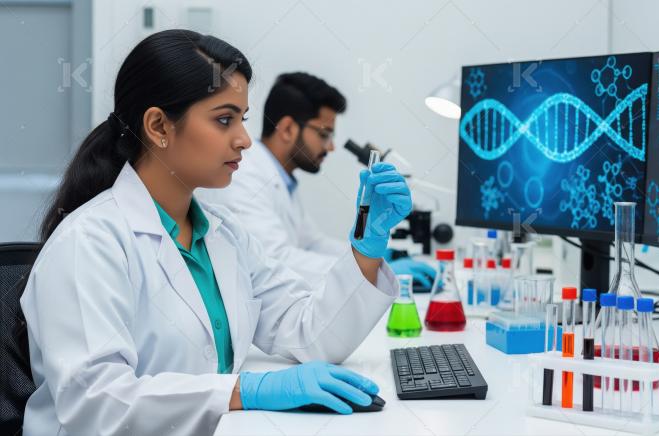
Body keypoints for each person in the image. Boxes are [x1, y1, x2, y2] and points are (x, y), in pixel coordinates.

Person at [20, 30, 411, 436]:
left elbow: (308, 334)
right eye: (224, 120)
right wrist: (245, 389)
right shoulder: (88, 243)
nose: (244, 140)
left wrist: (366, 249)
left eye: (242, 119)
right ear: (158, 126)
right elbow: (95, 404)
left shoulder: (224, 235)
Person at [197, 72, 436, 288]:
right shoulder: (243, 176)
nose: (330, 147)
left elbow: (313, 243)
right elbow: (275, 259)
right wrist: (368, 268)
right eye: (324, 134)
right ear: (287, 129)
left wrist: (376, 255)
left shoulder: (283, 180)